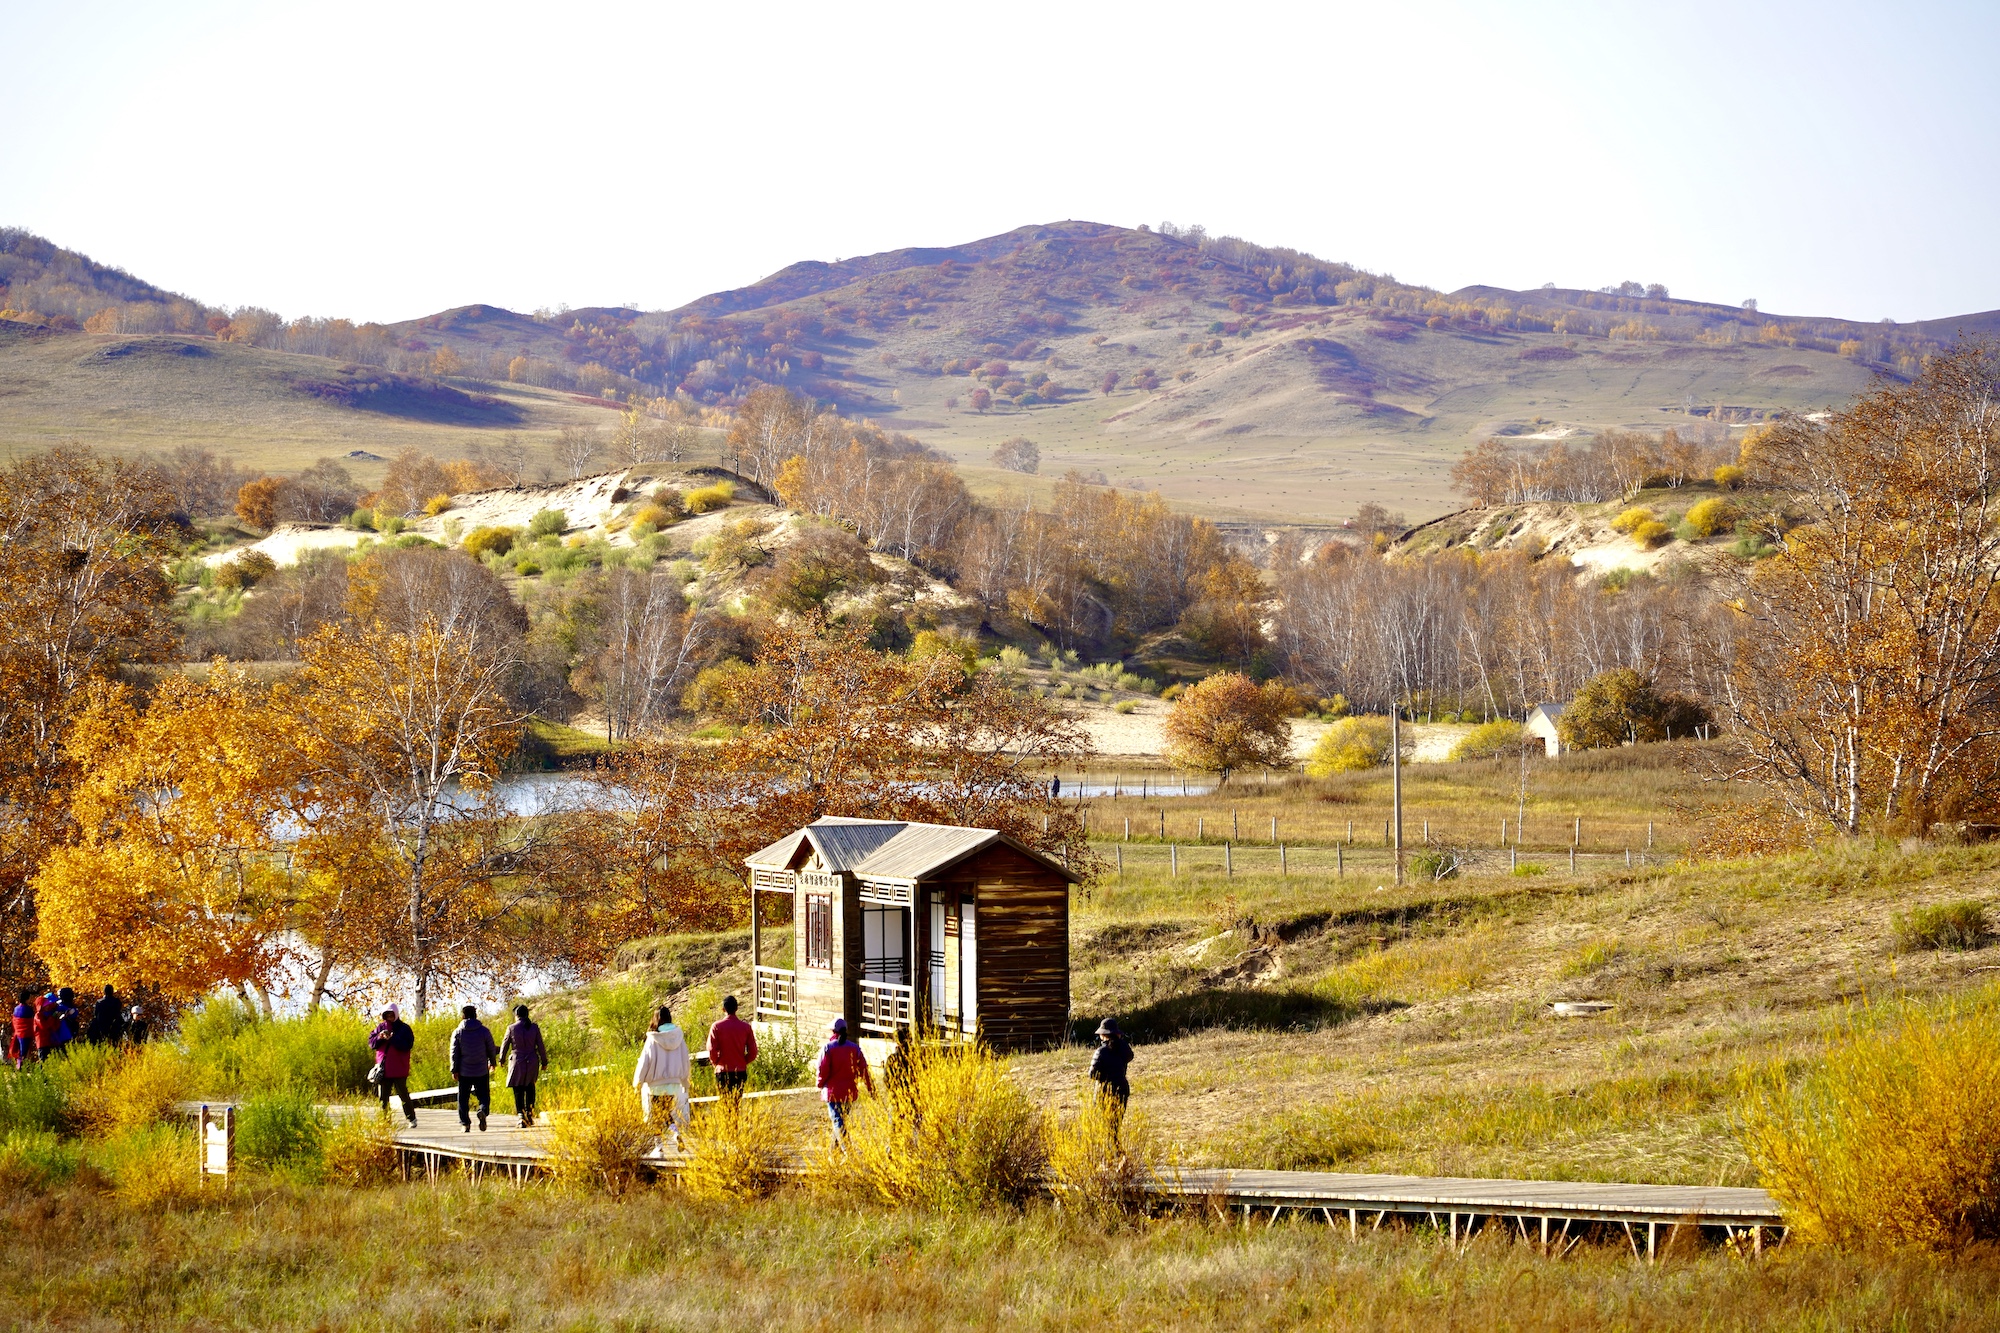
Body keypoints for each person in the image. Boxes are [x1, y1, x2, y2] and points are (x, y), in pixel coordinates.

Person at [632, 1006, 691, 1142]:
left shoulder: (653, 1039)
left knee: (657, 1116)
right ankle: (675, 1134)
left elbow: (644, 1062)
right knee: (666, 1112)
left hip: (656, 1085)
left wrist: (638, 1082)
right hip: (673, 1084)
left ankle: (658, 1148)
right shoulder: (679, 1037)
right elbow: (685, 1059)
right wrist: (684, 1080)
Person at [816, 1017, 872, 1143]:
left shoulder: (828, 1048)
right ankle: (833, 1155)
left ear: (833, 1032)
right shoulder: (855, 1048)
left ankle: (848, 1152)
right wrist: (870, 1089)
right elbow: (864, 1070)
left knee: (838, 1122)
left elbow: (822, 1069)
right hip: (849, 1092)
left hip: (832, 1092)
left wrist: (819, 1084)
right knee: (841, 1121)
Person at [450, 1004, 499, 1133]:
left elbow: (454, 1052)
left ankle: (465, 1124)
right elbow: (491, 1048)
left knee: (463, 1099)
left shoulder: (458, 1032)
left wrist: (454, 1070)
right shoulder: (484, 1031)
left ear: (463, 1016)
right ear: (475, 1015)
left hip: (464, 1071)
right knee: (483, 1096)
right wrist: (493, 1062)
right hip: (481, 1070)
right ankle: (482, 1110)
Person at [500, 1004, 548, 1128]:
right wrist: (544, 1061)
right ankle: (529, 1114)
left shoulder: (511, 1028)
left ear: (516, 1015)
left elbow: (505, 1045)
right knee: (530, 1088)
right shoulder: (534, 1027)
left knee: (518, 1089)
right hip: (532, 1061)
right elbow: (540, 1045)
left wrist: (501, 1059)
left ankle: (521, 1115)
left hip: (517, 1061)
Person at [369, 1004, 418, 1127]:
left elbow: (407, 1045)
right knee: (383, 1097)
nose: (389, 1017)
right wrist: (380, 1037)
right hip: (384, 1068)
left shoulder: (404, 1028)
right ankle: (385, 1120)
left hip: (399, 1068)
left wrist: (392, 1038)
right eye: (387, 1015)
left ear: (396, 1014)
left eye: (391, 1015)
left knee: (403, 1095)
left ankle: (411, 1119)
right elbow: (372, 1043)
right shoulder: (380, 1027)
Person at [706, 994, 757, 1098]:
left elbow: (712, 1050)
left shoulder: (716, 1027)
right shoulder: (746, 1027)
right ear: (737, 1008)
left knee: (725, 1104)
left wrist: (716, 1062)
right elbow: (753, 1052)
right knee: (736, 1103)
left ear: (723, 1009)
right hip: (740, 1070)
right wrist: (743, 1061)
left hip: (722, 1070)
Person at [1088, 1018, 1133, 1113]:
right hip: (1122, 1089)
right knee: (1117, 1122)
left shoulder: (1101, 1051)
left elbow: (1092, 1074)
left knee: (1104, 1123)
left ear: (1102, 1035)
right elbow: (1129, 1056)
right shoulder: (1124, 1049)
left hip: (1104, 1091)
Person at [32, 993, 63, 1060]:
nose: (48, 1007)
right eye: (45, 1005)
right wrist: (52, 1017)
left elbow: (55, 1027)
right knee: (43, 1060)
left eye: (48, 1005)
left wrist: (57, 1018)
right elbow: (44, 1026)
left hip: (50, 1041)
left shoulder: (48, 1014)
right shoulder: (38, 1016)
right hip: (42, 1042)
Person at [10, 988, 34, 1069]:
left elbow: (15, 1021)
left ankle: (19, 1066)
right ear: (26, 999)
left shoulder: (16, 1008)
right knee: (24, 1052)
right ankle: (22, 1068)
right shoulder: (28, 1009)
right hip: (26, 1033)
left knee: (20, 1050)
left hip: (18, 1033)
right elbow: (31, 1021)